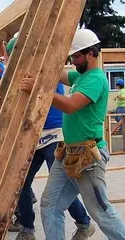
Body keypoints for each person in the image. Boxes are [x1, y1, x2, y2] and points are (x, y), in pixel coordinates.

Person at [17, 28, 125, 240]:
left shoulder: (95, 79)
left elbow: (70, 105)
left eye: (76, 56)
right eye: (71, 56)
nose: (73, 61)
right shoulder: (81, 76)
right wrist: (40, 55)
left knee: (100, 212)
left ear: (91, 53)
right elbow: (57, 72)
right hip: (70, 153)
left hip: (88, 156)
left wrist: (37, 88)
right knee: (50, 205)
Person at [0, 36, 94, 240]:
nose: (11, 60)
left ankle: (84, 223)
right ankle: (27, 230)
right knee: (20, 184)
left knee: (61, 185)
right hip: (30, 135)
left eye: (14, 55)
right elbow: (8, 99)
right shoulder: (15, 74)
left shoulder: (45, 67)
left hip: (52, 132)